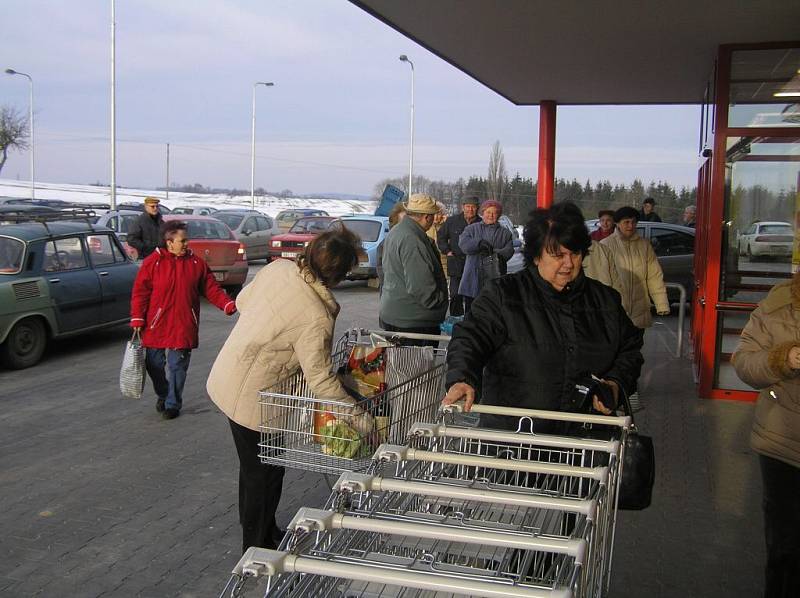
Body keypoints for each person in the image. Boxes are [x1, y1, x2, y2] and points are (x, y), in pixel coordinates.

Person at [206, 228, 371, 553]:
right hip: (254, 397)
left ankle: (266, 531)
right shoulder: (315, 315)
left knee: (262, 467)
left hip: (232, 376)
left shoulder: (278, 268)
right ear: (337, 274)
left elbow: (241, 300)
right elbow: (320, 380)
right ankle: (255, 549)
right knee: (261, 474)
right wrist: (362, 420)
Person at [442, 201, 643, 432]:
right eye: (558, 255)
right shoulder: (503, 295)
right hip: (515, 442)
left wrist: (615, 383)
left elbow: (630, 349)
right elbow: (470, 338)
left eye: (575, 253)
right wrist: (463, 378)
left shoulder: (605, 300)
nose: (568, 264)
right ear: (537, 256)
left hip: (588, 446)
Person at [732, 274, 800, 597]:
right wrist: (783, 359)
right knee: (784, 549)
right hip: (783, 446)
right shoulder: (780, 304)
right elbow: (743, 361)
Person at [130, 221, 236, 419]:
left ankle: (173, 404)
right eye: (183, 240)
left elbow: (211, 288)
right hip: (156, 324)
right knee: (154, 365)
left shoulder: (196, 264)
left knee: (177, 366)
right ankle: (163, 393)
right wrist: (137, 318)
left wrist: (227, 305)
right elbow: (140, 293)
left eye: (187, 240)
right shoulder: (153, 263)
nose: (187, 244)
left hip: (183, 324)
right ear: (169, 242)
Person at [379, 193, 448, 346]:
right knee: (415, 368)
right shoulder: (413, 240)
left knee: (398, 367)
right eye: (432, 216)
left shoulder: (396, 232)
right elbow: (421, 287)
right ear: (426, 217)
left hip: (397, 314)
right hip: (413, 321)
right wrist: (440, 302)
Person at [601, 206, 670, 329]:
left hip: (640, 311)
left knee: (636, 347)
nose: (630, 226)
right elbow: (601, 279)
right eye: (626, 222)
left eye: (633, 222)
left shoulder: (645, 245)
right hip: (615, 310)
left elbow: (654, 276)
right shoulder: (605, 245)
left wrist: (662, 304)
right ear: (617, 224)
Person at [457, 200, 514, 313]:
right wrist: (478, 244)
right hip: (473, 275)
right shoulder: (471, 229)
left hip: (494, 276)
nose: (491, 215)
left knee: (491, 311)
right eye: (488, 212)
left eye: (494, 213)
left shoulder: (505, 233)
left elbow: (509, 251)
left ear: (499, 215)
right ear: (482, 213)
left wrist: (493, 253)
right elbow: (463, 245)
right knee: (471, 311)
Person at [437, 196, 481, 316]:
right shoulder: (452, 221)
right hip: (456, 264)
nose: (470, 209)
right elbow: (441, 237)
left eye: (473, 207)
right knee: (455, 295)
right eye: (468, 206)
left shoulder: (481, 223)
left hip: (474, 266)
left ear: (477, 208)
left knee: (471, 297)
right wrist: (447, 251)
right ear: (463, 207)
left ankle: (469, 322)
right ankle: (455, 321)